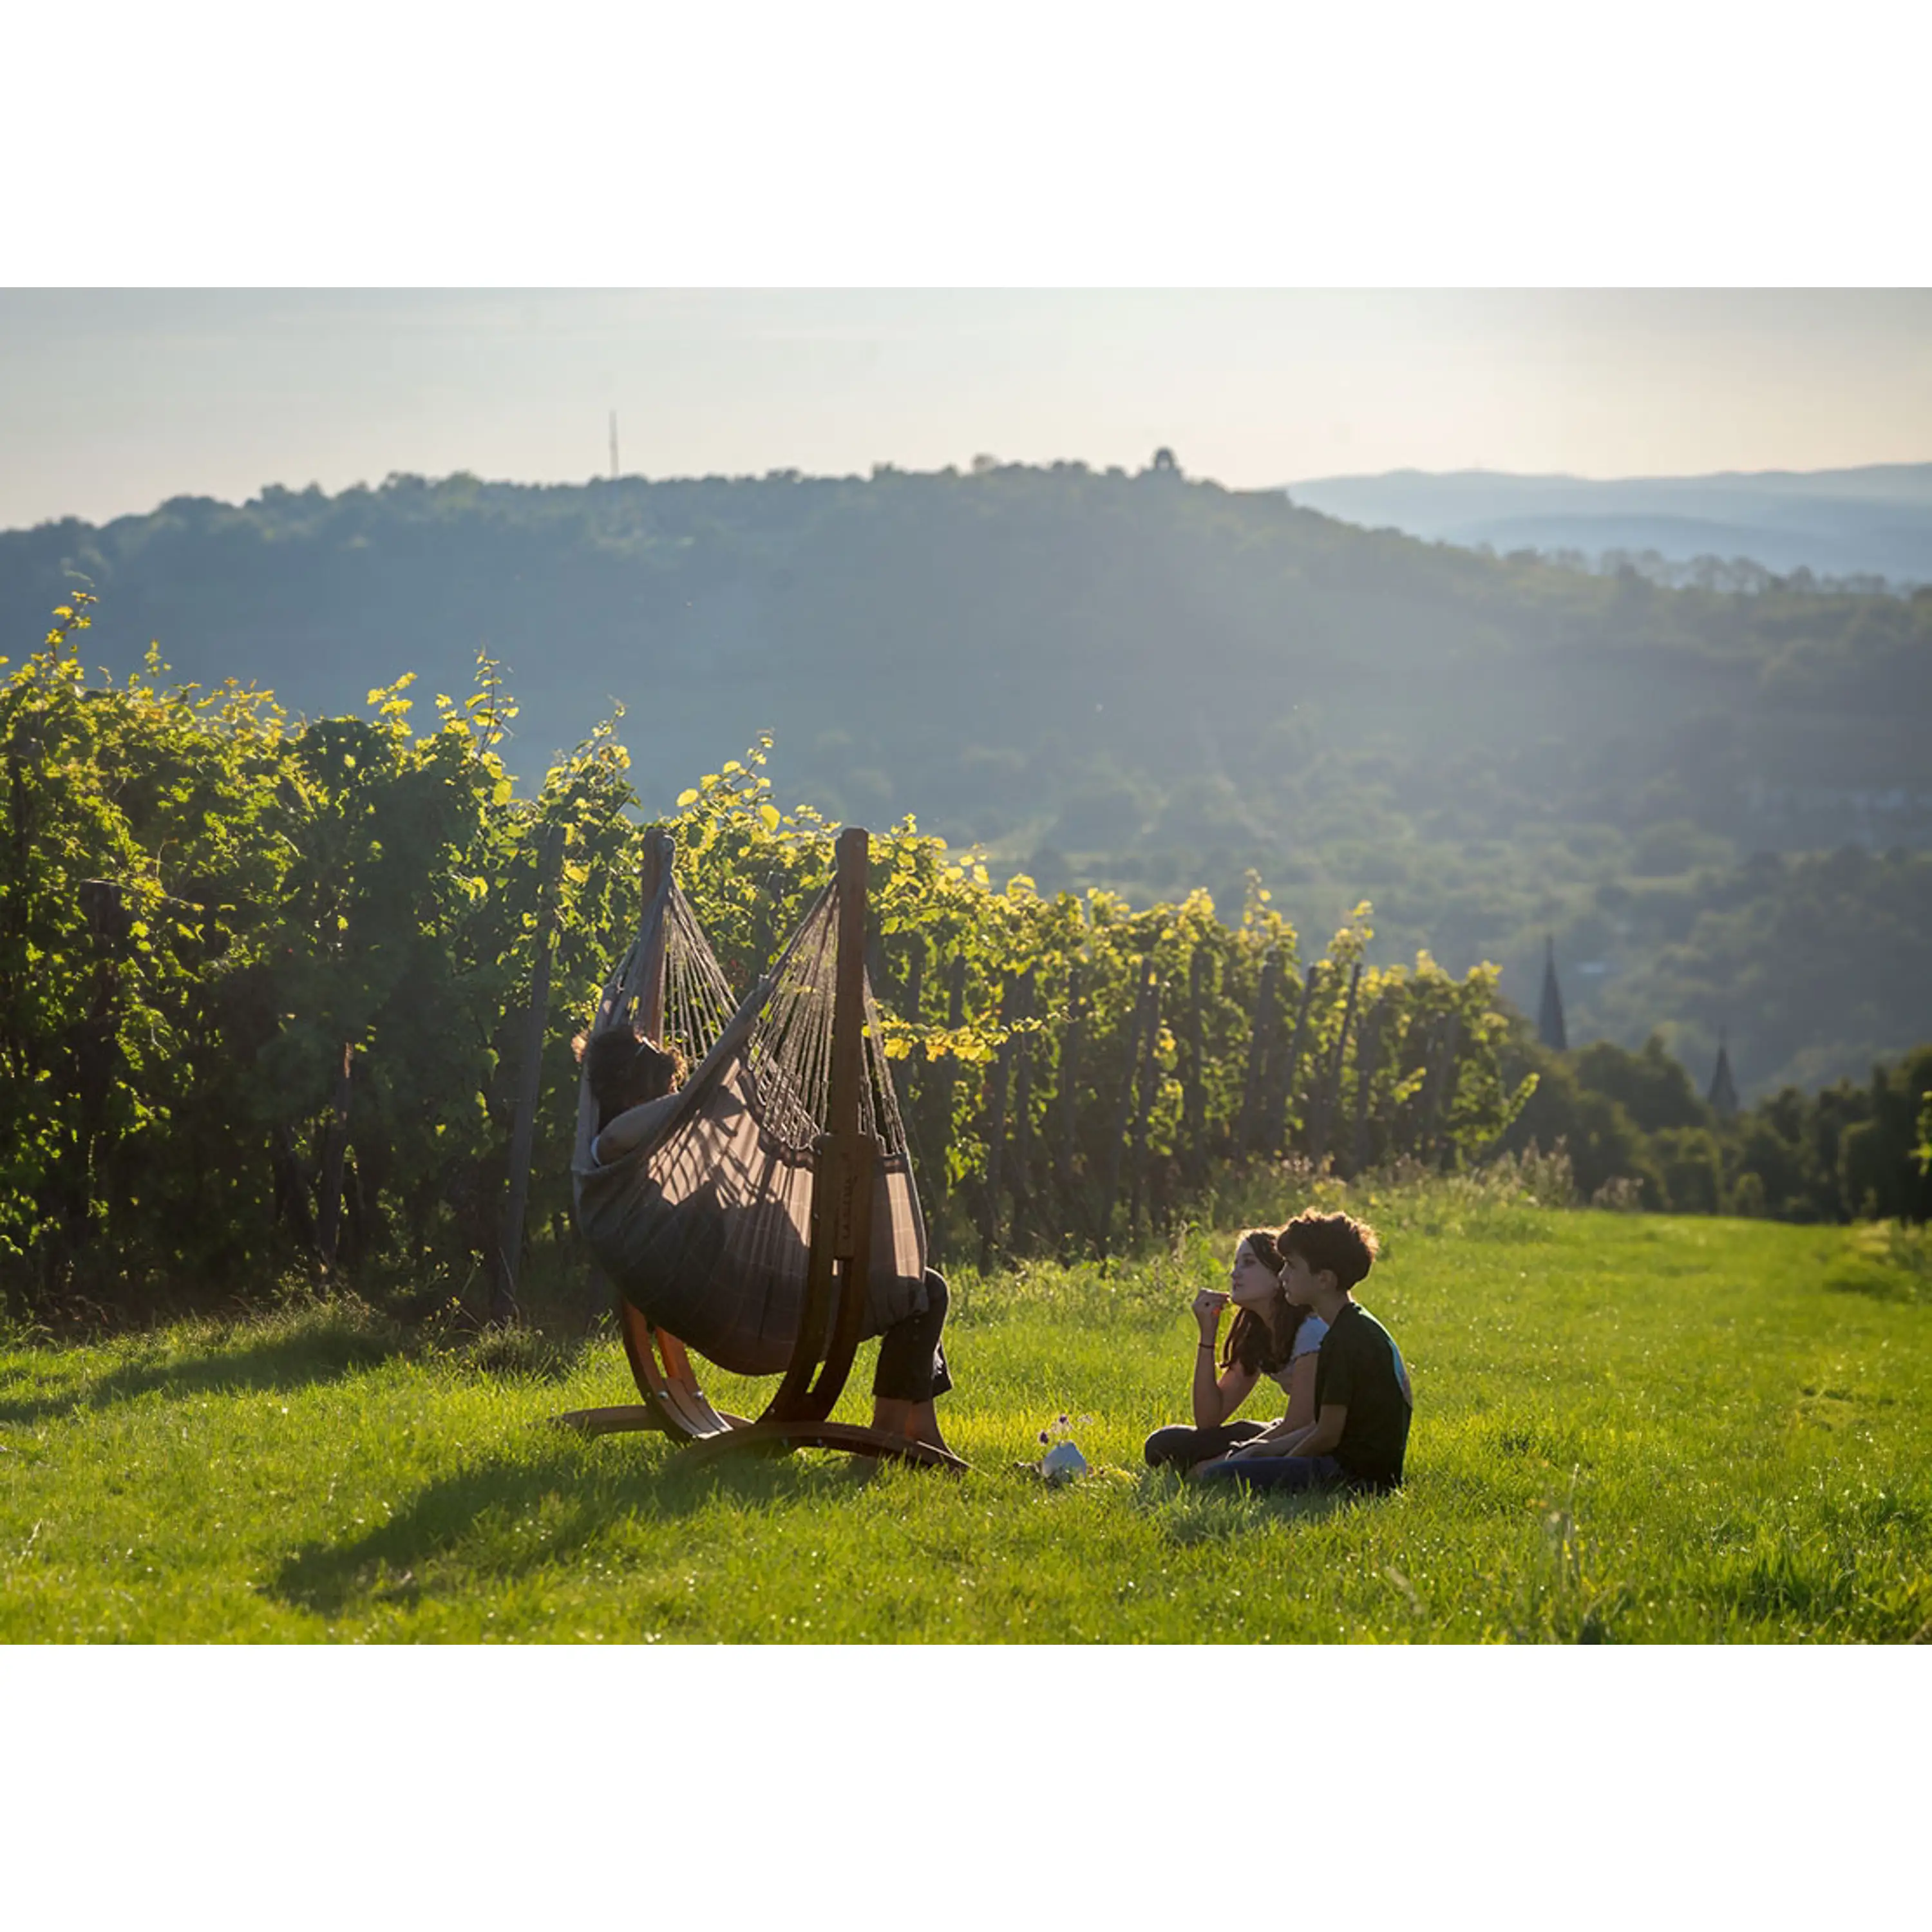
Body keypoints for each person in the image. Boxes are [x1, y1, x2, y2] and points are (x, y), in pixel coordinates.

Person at [580, 1020, 956, 1454]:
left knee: (920, 1288)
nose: (673, 1098)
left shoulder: (646, 1175)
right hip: (754, 1309)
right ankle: (887, 1444)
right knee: (922, 1290)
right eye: (665, 1089)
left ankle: (920, 1435)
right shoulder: (610, 1159)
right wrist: (700, 1098)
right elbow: (615, 1136)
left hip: (758, 1297)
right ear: (633, 1098)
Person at [1193, 1209, 1412, 1495]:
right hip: (1352, 1464)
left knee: (1218, 1478)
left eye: (1292, 1267)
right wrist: (1259, 1452)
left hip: (1353, 1474)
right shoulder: (1350, 1326)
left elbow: (1327, 1434)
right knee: (1227, 1466)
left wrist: (1277, 1460)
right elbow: (1322, 1426)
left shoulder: (1342, 1339)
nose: (1283, 1274)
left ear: (1324, 1279)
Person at [1142, 1229, 1328, 1472]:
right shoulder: (1257, 1331)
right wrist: (1208, 1335)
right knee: (1163, 1444)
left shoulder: (1310, 1330)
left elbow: (1299, 1424)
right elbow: (1209, 1419)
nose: (1234, 1273)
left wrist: (1231, 1458)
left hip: (1316, 1438)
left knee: (1223, 1465)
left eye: (1248, 1264)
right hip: (1289, 1430)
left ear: (1278, 1276)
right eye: (1236, 1263)